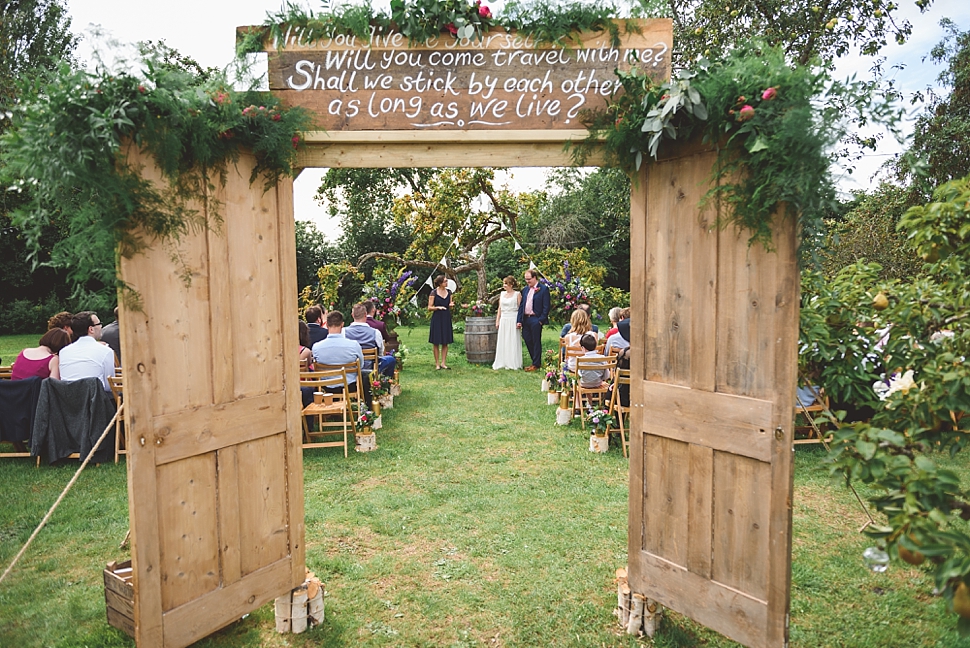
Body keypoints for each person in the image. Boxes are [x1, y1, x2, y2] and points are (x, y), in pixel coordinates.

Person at [312, 310, 371, 409]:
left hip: (326, 386)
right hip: (349, 385)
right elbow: (360, 365)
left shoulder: (316, 347)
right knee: (365, 374)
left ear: (327, 325)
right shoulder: (353, 345)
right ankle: (369, 409)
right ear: (342, 325)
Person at [59, 311, 115, 391]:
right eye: (99, 324)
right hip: (95, 400)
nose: (101, 327)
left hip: (68, 401)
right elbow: (109, 386)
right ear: (91, 329)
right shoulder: (106, 351)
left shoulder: (63, 352)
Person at [345, 303, 396, 377]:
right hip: (371, 368)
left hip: (351, 368)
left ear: (352, 315)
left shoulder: (343, 332)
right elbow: (381, 353)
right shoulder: (375, 333)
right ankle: (384, 383)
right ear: (365, 315)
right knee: (390, 359)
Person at [517, 269, 550, 372]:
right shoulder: (525, 290)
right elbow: (521, 306)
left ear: (535, 277)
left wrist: (540, 320)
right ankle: (535, 360)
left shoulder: (543, 289)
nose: (527, 281)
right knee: (527, 339)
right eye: (526, 279)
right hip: (526, 318)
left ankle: (536, 364)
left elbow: (546, 306)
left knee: (536, 341)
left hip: (536, 319)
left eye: (529, 279)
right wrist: (519, 320)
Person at [492, 276, 523, 370]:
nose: (504, 286)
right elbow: (500, 308)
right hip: (504, 319)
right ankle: (502, 361)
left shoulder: (517, 294)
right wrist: (497, 320)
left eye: (506, 284)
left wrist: (519, 321)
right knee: (503, 339)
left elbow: (520, 308)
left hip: (513, 318)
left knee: (512, 339)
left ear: (511, 284)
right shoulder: (502, 294)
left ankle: (513, 362)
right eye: (503, 284)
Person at [428, 275, 454, 370]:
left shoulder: (449, 292)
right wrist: (437, 308)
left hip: (446, 317)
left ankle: (443, 362)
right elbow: (429, 307)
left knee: (445, 342)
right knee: (436, 342)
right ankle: (437, 364)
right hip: (437, 317)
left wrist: (451, 305)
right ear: (440, 283)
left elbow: (450, 304)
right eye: (445, 281)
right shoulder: (433, 292)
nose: (447, 283)